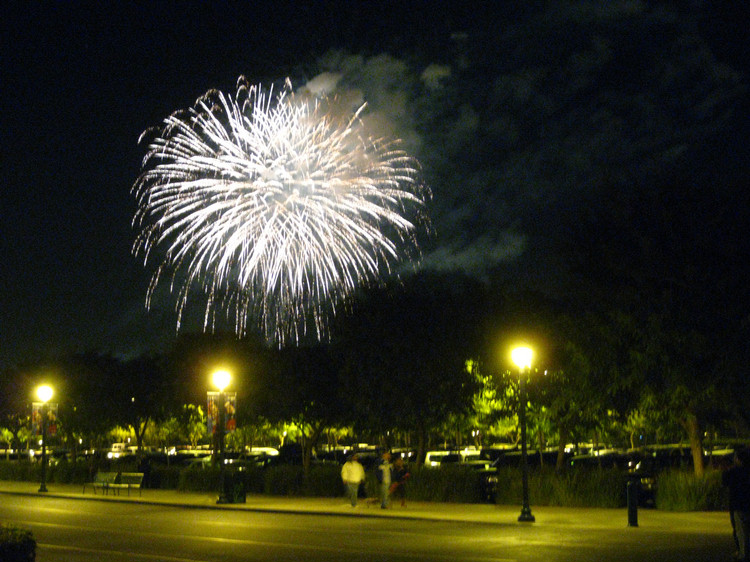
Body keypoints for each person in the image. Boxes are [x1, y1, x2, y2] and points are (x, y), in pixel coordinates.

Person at [723, 447, 750, 561]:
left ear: (739, 459)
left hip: (738, 504)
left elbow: (724, 482)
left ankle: (743, 553)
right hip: (746, 503)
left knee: (741, 531)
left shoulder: (734, 471)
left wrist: (727, 469)